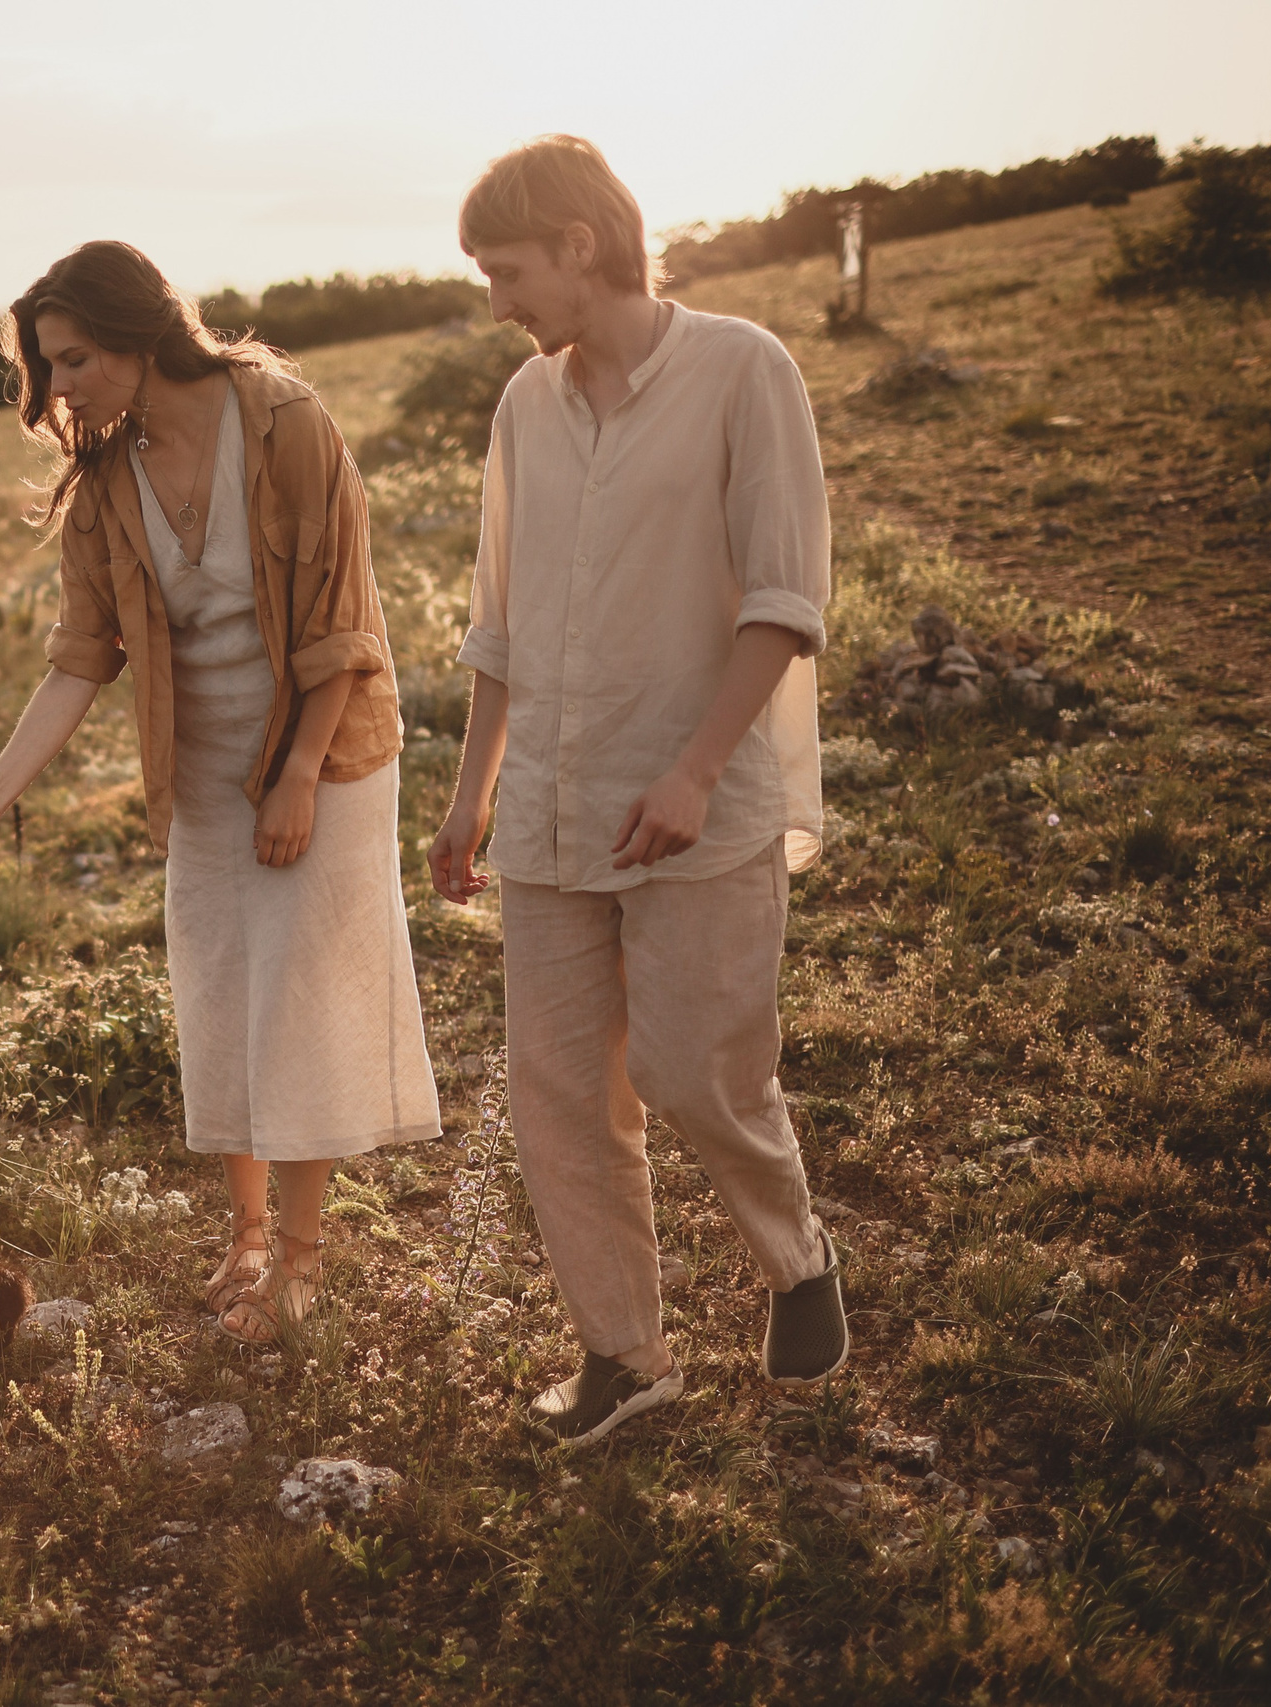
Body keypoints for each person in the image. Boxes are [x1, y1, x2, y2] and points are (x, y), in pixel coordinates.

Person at [0, 240, 440, 1342]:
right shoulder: (107, 476)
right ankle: (246, 1236)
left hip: (325, 752)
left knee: (296, 999)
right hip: (198, 771)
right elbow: (79, 656)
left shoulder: (286, 420)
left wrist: (296, 778)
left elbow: (346, 624)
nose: (58, 388)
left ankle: (298, 1268)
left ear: (137, 333)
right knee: (222, 998)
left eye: (72, 359)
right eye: (46, 366)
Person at [425, 136, 848, 1447]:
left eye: (507, 269)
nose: (497, 299)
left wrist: (696, 765)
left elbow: (785, 596)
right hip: (551, 808)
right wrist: (467, 797)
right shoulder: (523, 408)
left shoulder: (742, 371)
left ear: (582, 244)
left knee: (694, 1068)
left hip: (695, 802)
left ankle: (798, 1257)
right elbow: (499, 624)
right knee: (558, 1088)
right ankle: (625, 1353)